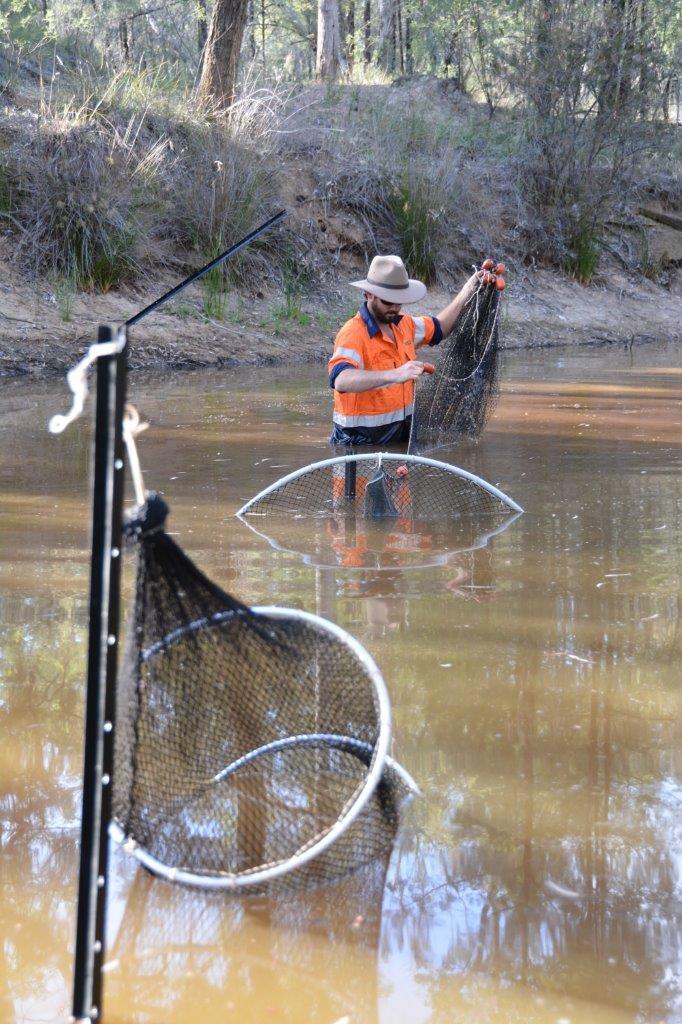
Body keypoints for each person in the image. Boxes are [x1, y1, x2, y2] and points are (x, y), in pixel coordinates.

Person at [328, 254, 480, 446]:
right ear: (369, 295)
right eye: (387, 302)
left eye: (398, 302)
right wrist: (396, 374)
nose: (394, 308)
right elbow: (341, 380)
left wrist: (470, 289)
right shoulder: (352, 333)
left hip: (400, 443)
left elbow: (441, 327)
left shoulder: (404, 324)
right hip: (357, 448)